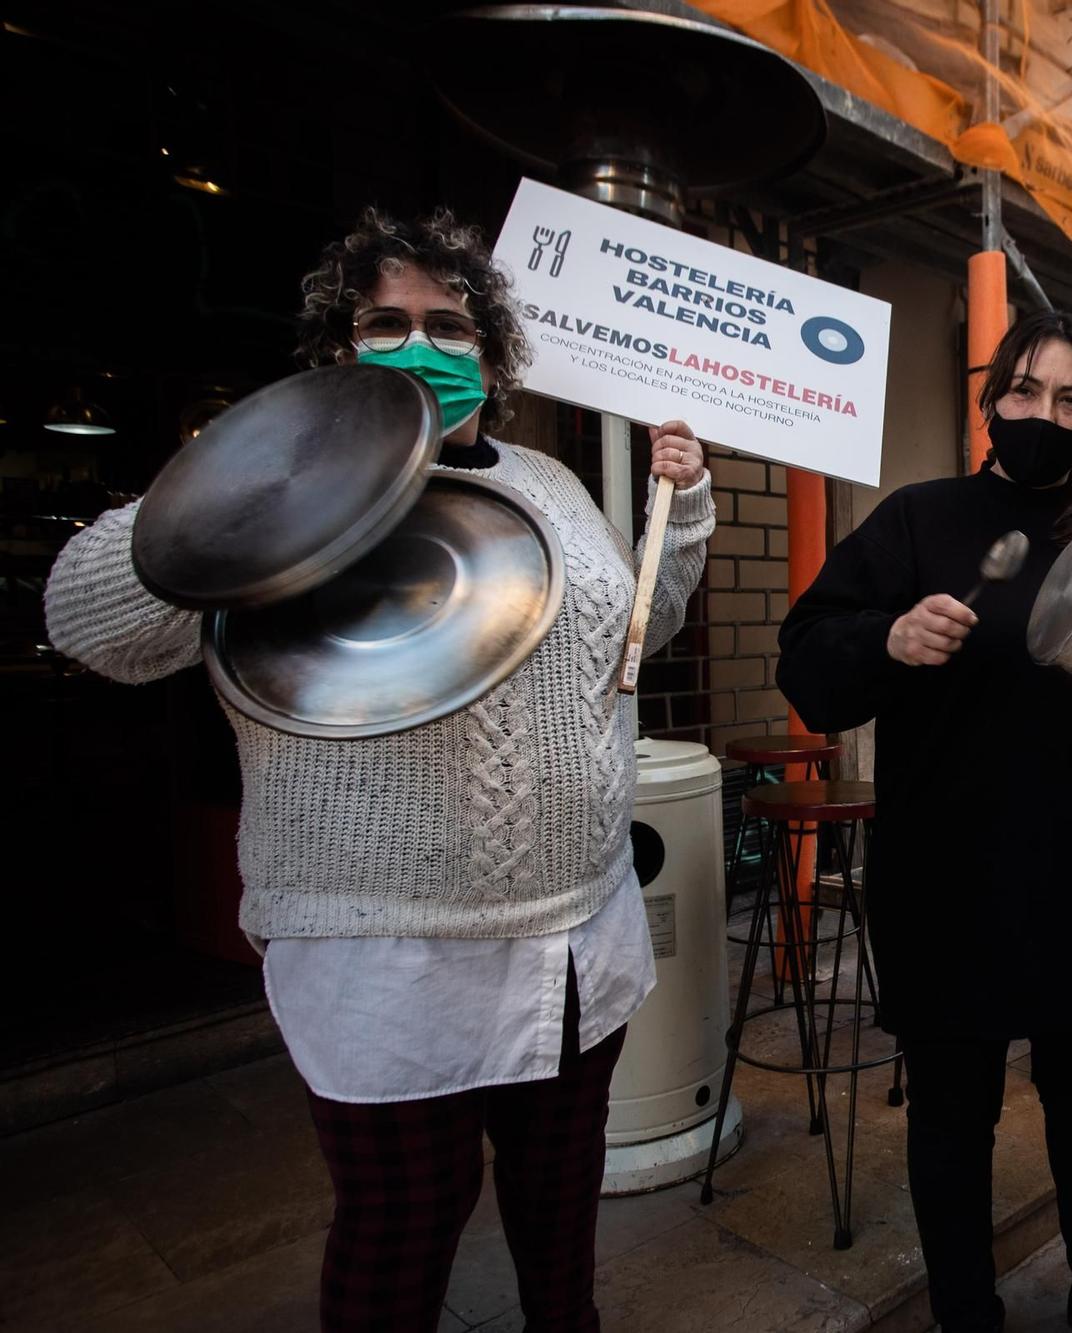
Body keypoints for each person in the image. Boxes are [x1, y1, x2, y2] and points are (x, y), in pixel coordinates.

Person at [44, 207, 716, 1332]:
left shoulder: (548, 482)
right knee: (402, 1226)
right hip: (384, 952)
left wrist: (681, 509)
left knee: (559, 1218)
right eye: (384, 321)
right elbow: (90, 625)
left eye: (450, 326)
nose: (420, 345)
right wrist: (227, 480)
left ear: (493, 359)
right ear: (338, 347)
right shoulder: (287, 494)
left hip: (570, 936)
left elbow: (633, 635)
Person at [777, 310, 1072, 1333]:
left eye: (1070, 399)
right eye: (1026, 392)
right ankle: (964, 1310)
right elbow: (809, 660)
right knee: (953, 1114)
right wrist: (889, 636)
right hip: (947, 873)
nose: (1044, 414)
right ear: (990, 402)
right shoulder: (918, 519)